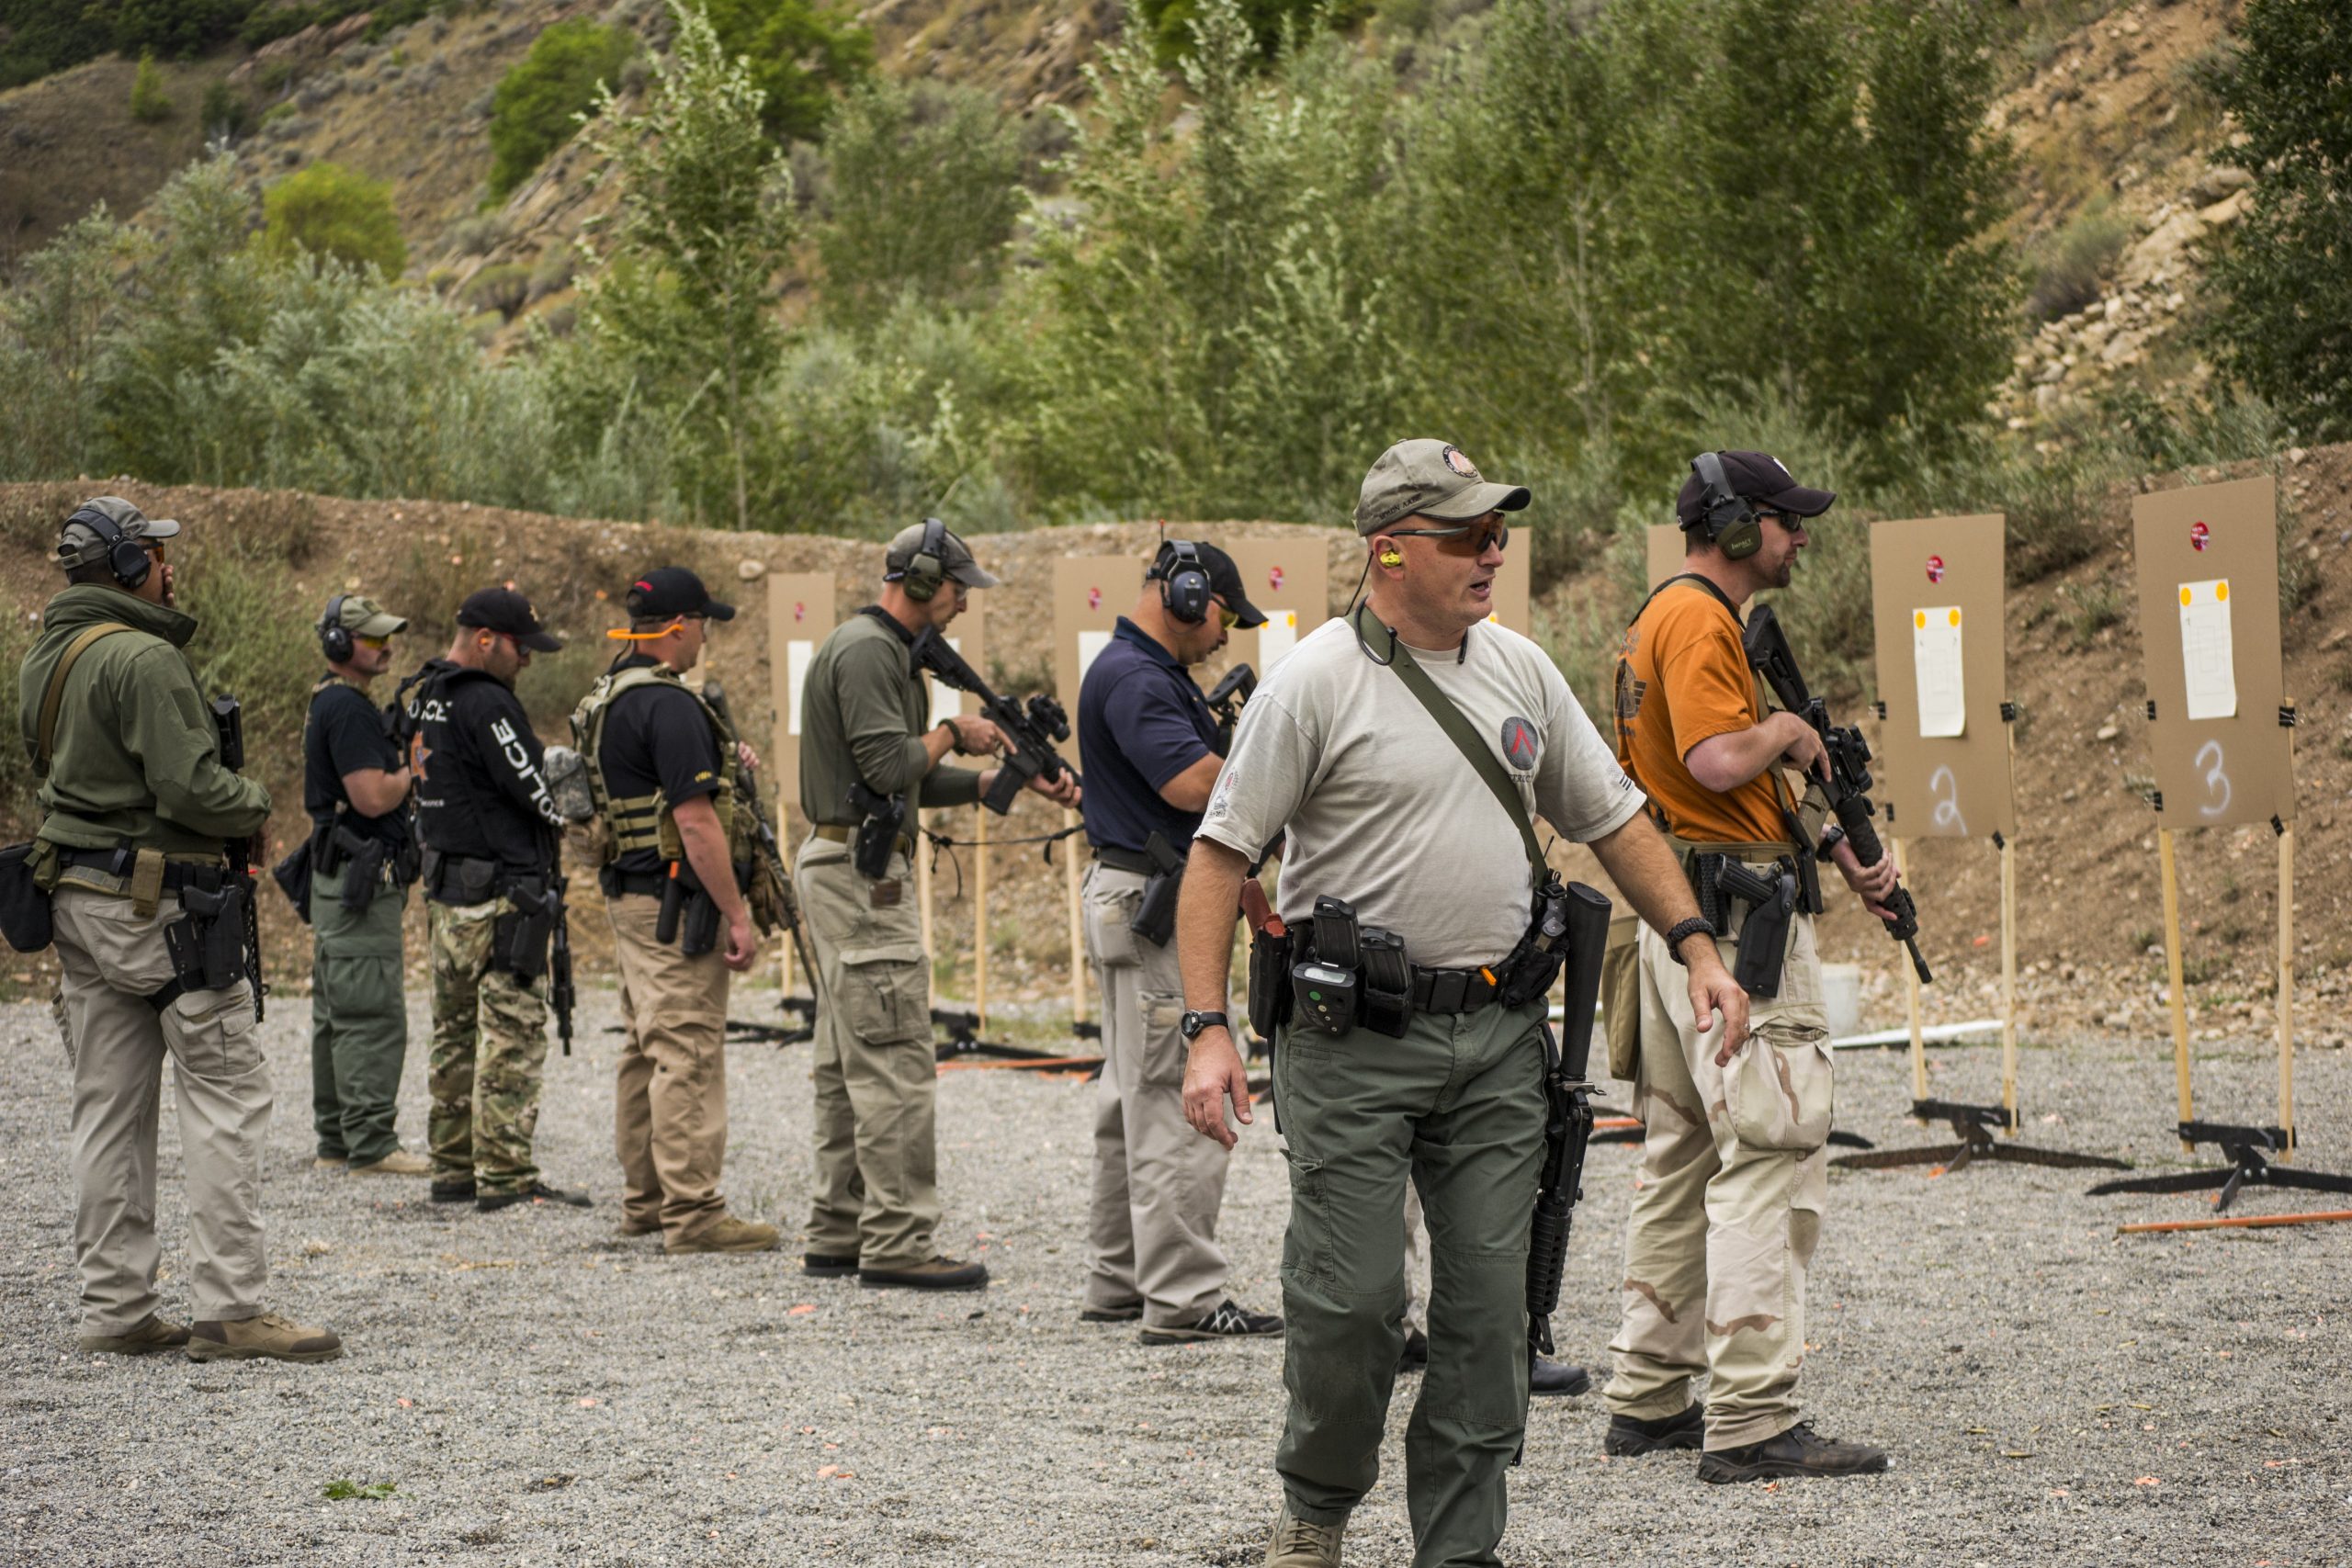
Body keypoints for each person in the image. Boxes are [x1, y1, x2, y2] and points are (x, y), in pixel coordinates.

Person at [1174, 441, 1748, 1568]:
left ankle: (1460, 1548)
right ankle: (1317, 1514)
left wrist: (1695, 944)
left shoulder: (1521, 670)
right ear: (1388, 551)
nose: (1493, 552)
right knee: (1350, 1305)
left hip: (1497, 1042)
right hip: (1348, 1044)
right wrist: (1205, 1032)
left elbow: (1614, 817)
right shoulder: (1313, 681)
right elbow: (1216, 857)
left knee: (1491, 1318)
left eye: (1498, 532)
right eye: (1466, 535)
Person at [1600, 451, 1893, 1483]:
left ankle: (1649, 1391)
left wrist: (1831, 847)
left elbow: (1707, 791)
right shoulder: (1698, 620)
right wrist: (1789, 730)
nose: (1799, 536)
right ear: (1732, 527)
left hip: (1686, 910)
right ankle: (1752, 1416)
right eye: (1783, 520)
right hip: (1731, 934)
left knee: (1679, 1157)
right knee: (1771, 1150)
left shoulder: (1665, 619)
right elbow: (1722, 758)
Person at [25, 496, 340, 1362]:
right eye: (157, 555)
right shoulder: (147, 657)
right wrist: (257, 800)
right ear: (129, 569)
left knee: (108, 1109)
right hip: (160, 906)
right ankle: (231, 1307)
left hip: (80, 904)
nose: (171, 567)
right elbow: (192, 789)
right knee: (226, 1091)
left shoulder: (46, 657)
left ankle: (116, 1306)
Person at [795, 519, 1080, 1291]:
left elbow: (891, 777)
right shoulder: (869, 651)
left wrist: (989, 781)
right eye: (956, 588)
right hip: (861, 876)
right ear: (922, 581)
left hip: (848, 861)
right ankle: (897, 1240)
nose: (960, 603)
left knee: (846, 1057)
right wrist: (956, 730)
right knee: (893, 1061)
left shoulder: (879, 649)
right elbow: (892, 764)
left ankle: (841, 1228)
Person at [1073, 537, 1280, 1345]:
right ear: (1191, 596)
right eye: (1226, 615)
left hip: (1134, 893)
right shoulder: (1137, 679)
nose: (1225, 635)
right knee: (1171, 1103)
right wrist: (1270, 768)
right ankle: (1185, 1296)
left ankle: (1121, 1277)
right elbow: (1191, 784)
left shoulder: (1140, 675)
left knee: (1131, 1093)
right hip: (1156, 903)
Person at [573, 567, 776, 1255]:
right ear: (679, 627)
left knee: (644, 1050)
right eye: (703, 625)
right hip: (674, 902)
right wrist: (738, 913)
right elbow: (696, 823)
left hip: (632, 899)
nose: (705, 640)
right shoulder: (671, 704)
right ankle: (693, 1213)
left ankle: (648, 1202)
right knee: (686, 1049)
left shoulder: (610, 695)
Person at [404, 587, 588, 1213]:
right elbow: (542, 795)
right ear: (486, 639)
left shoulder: (430, 694)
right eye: (521, 648)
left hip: (449, 896)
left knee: (453, 1034)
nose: (527, 661)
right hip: (502, 900)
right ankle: (506, 1174)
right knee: (510, 1033)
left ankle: (453, 1166)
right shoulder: (487, 702)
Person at [303, 592, 424, 1179]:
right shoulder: (348, 710)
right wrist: (412, 770)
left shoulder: (333, 702)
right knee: (371, 1011)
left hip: (338, 879)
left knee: (337, 1010)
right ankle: (371, 1144)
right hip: (358, 881)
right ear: (339, 644)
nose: (384, 647)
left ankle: (337, 1140)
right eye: (372, 638)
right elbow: (372, 796)